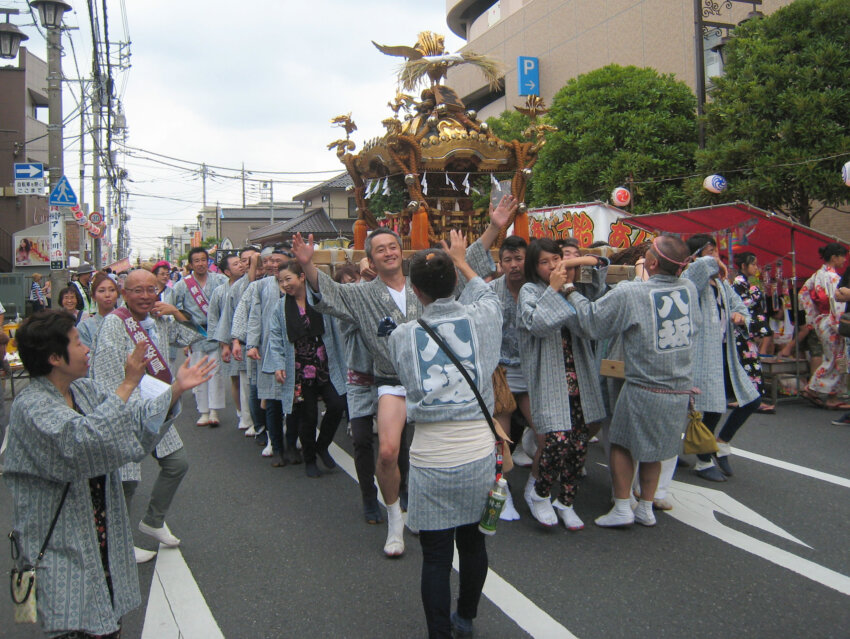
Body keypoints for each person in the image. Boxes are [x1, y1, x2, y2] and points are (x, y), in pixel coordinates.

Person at [291, 194, 515, 557]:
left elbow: (461, 262)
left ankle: (431, 506)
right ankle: (394, 517)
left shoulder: (423, 282)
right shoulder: (362, 294)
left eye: (393, 246)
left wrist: (494, 227)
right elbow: (329, 294)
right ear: (371, 257)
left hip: (434, 381)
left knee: (428, 451)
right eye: (380, 249)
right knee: (389, 450)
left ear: (402, 251)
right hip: (391, 380)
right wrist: (308, 267)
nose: (388, 252)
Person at [3, 310, 214, 638]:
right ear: (55, 357)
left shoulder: (84, 391)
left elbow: (129, 423)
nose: (86, 348)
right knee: (73, 624)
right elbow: (85, 442)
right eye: (77, 343)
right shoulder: (31, 407)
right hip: (61, 540)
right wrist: (128, 383)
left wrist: (174, 390)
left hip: (99, 530)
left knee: (106, 620)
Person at [387, 234, 502, 639]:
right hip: (477, 449)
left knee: (435, 558)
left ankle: (439, 632)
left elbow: (403, 379)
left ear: (415, 290)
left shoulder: (401, 336)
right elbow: (486, 292)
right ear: (455, 281)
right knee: (473, 546)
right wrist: (463, 260)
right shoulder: (484, 315)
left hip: (431, 454)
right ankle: (465, 619)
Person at [561, 235, 703, 527]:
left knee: (623, 446)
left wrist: (569, 289)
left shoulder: (632, 292)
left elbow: (592, 321)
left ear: (652, 262)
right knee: (657, 449)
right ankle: (646, 508)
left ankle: (623, 507)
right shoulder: (689, 288)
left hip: (642, 386)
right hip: (679, 389)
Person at [91, 269, 206, 559]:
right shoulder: (114, 325)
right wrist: (118, 409)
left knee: (177, 463)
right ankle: (119, 546)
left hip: (158, 406)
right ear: (125, 293)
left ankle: (153, 520)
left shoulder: (161, 318)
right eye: (137, 290)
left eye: (151, 289)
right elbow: (105, 376)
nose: (145, 296)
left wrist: (177, 312)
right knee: (126, 481)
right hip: (127, 410)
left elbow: (197, 334)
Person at [517, 238, 608, 529]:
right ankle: (540, 495)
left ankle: (566, 500)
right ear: (534, 267)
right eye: (544, 262)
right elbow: (538, 324)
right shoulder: (529, 291)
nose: (552, 266)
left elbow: (590, 325)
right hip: (549, 375)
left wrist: (569, 285)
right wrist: (555, 289)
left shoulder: (572, 289)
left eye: (555, 259)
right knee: (555, 440)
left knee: (580, 441)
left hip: (578, 372)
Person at [683, 235, 760, 481]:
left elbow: (741, 307)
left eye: (716, 250)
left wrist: (739, 316)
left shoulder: (723, 284)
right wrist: (710, 262)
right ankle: (703, 461)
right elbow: (696, 272)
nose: (715, 255)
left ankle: (721, 443)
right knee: (709, 408)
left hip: (725, 352)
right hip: (700, 354)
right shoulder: (689, 279)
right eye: (709, 250)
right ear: (694, 256)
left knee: (752, 400)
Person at [265, 261, 347, 476]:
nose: (284, 284)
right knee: (308, 416)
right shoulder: (280, 307)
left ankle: (322, 445)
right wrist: (279, 365)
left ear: (302, 277)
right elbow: (275, 337)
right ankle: (310, 459)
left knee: (338, 404)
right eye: (281, 281)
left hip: (324, 364)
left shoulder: (318, 299)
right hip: (299, 369)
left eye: (288, 279)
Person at [489, 235, 536, 521]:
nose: (514, 265)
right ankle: (501, 495)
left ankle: (535, 488)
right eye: (508, 260)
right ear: (501, 263)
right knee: (501, 442)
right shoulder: (492, 290)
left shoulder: (538, 287)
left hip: (532, 371)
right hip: (502, 372)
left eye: (519, 258)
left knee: (546, 434)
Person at [172, 247, 228, 426]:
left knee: (215, 372)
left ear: (208, 261)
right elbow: (175, 310)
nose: (201, 264)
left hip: (215, 332)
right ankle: (203, 411)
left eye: (204, 260)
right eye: (196, 260)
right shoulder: (182, 285)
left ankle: (214, 411)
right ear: (191, 264)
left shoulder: (220, 280)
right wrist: (184, 337)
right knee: (198, 372)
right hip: (195, 334)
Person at [799, 242, 849, 410]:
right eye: (842, 256)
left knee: (835, 358)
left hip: (823, 319)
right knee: (833, 358)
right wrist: (838, 323)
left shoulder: (818, 275)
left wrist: (813, 317)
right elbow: (838, 302)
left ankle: (832, 395)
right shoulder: (833, 278)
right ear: (834, 257)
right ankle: (812, 388)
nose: (844, 260)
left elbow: (803, 293)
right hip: (832, 321)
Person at [731, 252, 775, 413]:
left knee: (750, 363)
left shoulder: (747, 282)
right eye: (753, 264)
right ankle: (752, 399)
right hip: (741, 329)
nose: (756, 267)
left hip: (748, 329)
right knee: (750, 364)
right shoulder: (738, 282)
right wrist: (755, 294)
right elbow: (739, 304)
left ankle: (747, 398)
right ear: (743, 266)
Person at [78, 272, 120, 349]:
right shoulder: (85, 326)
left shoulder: (127, 322)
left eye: (112, 290)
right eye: (101, 291)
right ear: (93, 296)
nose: (107, 295)